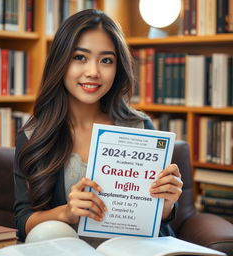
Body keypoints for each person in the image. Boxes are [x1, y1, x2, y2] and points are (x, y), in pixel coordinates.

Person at [14, 9, 183, 243]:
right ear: (60, 61)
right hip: (70, 250)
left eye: (106, 60)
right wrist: (67, 212)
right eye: (80, 57)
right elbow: (24, 222)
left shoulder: (139, 127)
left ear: (118, 67)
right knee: (52, 231)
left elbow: (159, 222)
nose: (93, 72)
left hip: (134, 250)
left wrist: (166, 204)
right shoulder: (34, 136)